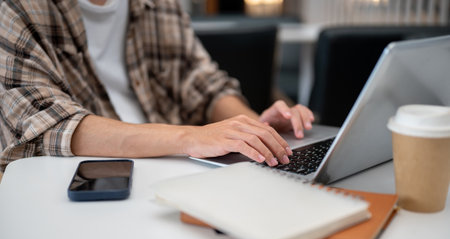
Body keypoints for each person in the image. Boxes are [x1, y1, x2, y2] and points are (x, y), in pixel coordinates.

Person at [0, 0, 314, 175]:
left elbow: (202, 82)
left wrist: (251, 129)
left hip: (173, 166)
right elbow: (42, 124)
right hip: (76, 180)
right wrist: (191, 137)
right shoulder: (17, 7)